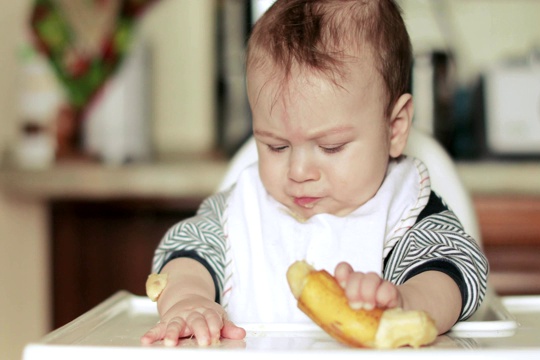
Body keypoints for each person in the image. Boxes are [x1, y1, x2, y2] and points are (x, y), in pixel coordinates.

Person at [141, 0, 488, 347]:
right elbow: (186, 249)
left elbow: (456, 269)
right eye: (277, 147)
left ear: (395, 128)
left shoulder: (405, 213)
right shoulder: (241, 212)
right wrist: (188, 301)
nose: (299, 172)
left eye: (331, 147)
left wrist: (407, 304)